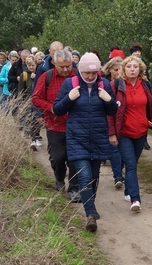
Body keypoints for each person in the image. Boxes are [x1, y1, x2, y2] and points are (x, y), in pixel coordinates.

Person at [52, 53, 117, 232]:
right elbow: (57, 109)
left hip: (98, 138)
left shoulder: (103, 85)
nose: (90, 76)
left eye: (94, 73)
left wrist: (109, 99)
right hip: (77, 138)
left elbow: (113, 111)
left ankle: (91, 205)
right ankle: (89, 215)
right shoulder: (69, 84)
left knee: (94, 177)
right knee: (85, 176)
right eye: (87, 73)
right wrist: (69, 98)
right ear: (79, 71)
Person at [109, 55, 152, 212]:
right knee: (130, 165)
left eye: (135, 67)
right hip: (124, 132)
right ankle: (135, 200)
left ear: (140, 70)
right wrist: (112, 133)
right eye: (129, 66)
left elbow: (151, 105)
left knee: (133, 164)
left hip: (141, 131)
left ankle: (128, 190)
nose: (132, 69)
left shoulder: (145, 85)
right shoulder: (117, 85)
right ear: (124, 69)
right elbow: (110, 112)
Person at [31, 49, 80, 201]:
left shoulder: (78, 77)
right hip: (55, 125)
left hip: (76, 126)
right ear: (54, 63)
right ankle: (59, 178)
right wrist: (51, 108)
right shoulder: (47, 77)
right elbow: (36, 98)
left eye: (68, 66)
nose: (66, 69)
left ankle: (74, 189)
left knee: (74, 158)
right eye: (62, 67)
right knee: (58, 157)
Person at [102, 56, 125, 189]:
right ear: (110, 70)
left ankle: (119, 171)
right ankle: (117, 176)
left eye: (121, 69)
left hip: (122, 122)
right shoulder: (105, 85)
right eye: (116, 69)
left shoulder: (125, 85)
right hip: (108, 120)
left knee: (122, 150)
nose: (119, 72)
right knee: (114, 148)